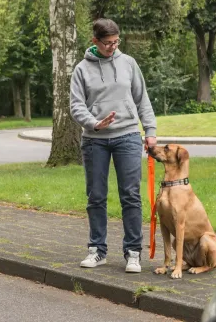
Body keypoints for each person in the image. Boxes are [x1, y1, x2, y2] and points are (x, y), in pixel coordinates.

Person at [70, 18, 157, 273]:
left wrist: (150, 131)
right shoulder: (81, 69)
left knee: (130, 195)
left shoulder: (128, 63)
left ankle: (133, 252)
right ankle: (97, 250)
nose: (112, 47)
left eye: (116, 42)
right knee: (95, 196)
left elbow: (142, 99)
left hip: (128, 136)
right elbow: (76, 106)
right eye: (107, 43)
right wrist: (96, 123)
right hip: (95, 140)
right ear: (94, 41)